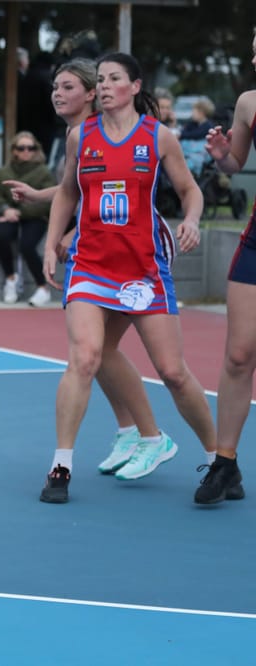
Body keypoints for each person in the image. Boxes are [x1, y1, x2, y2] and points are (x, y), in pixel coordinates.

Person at [38, 52, 217, 503]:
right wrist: (51, 242)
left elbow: (189, 190)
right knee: (85, 357)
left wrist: (192, 219)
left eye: (114, 78)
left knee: (173, 372)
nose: (104, 86)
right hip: (92, 265)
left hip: (142, 267)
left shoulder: (159, 139)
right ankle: (60, 466)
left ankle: (220, 459)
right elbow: (66, 192)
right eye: (100, 79)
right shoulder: (83, 136)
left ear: (135, 87)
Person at [7, 59, 182, 483]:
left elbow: (109, 187)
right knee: (94, 353)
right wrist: (44, 201)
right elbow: (80, 185)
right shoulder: (82, 134)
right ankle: (131, 432)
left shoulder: (110, 125)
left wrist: (67, 235)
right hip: (100, 251)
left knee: (100, 353)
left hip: (135, 253)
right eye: (54, 87)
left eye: (67, 87)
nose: (56, 94)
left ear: (90, 93)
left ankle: (150, 434)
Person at [199, 28, 256, 504]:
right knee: (239, 355)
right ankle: (226, 464)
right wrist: (223, 159)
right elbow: (237, 161)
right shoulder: (248, 101)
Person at [0, 131, 54, 307]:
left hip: (35, 217)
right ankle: (10, 279)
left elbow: (47, 200)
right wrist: (4, 209)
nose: (26, 151)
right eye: (21, 148)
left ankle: (43, 287)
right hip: (9, 215)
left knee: (27, 245)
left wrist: (21, 212)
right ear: (14, 150)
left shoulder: (43, 172)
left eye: (30, 148)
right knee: (1, 236)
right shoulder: (4, 172)